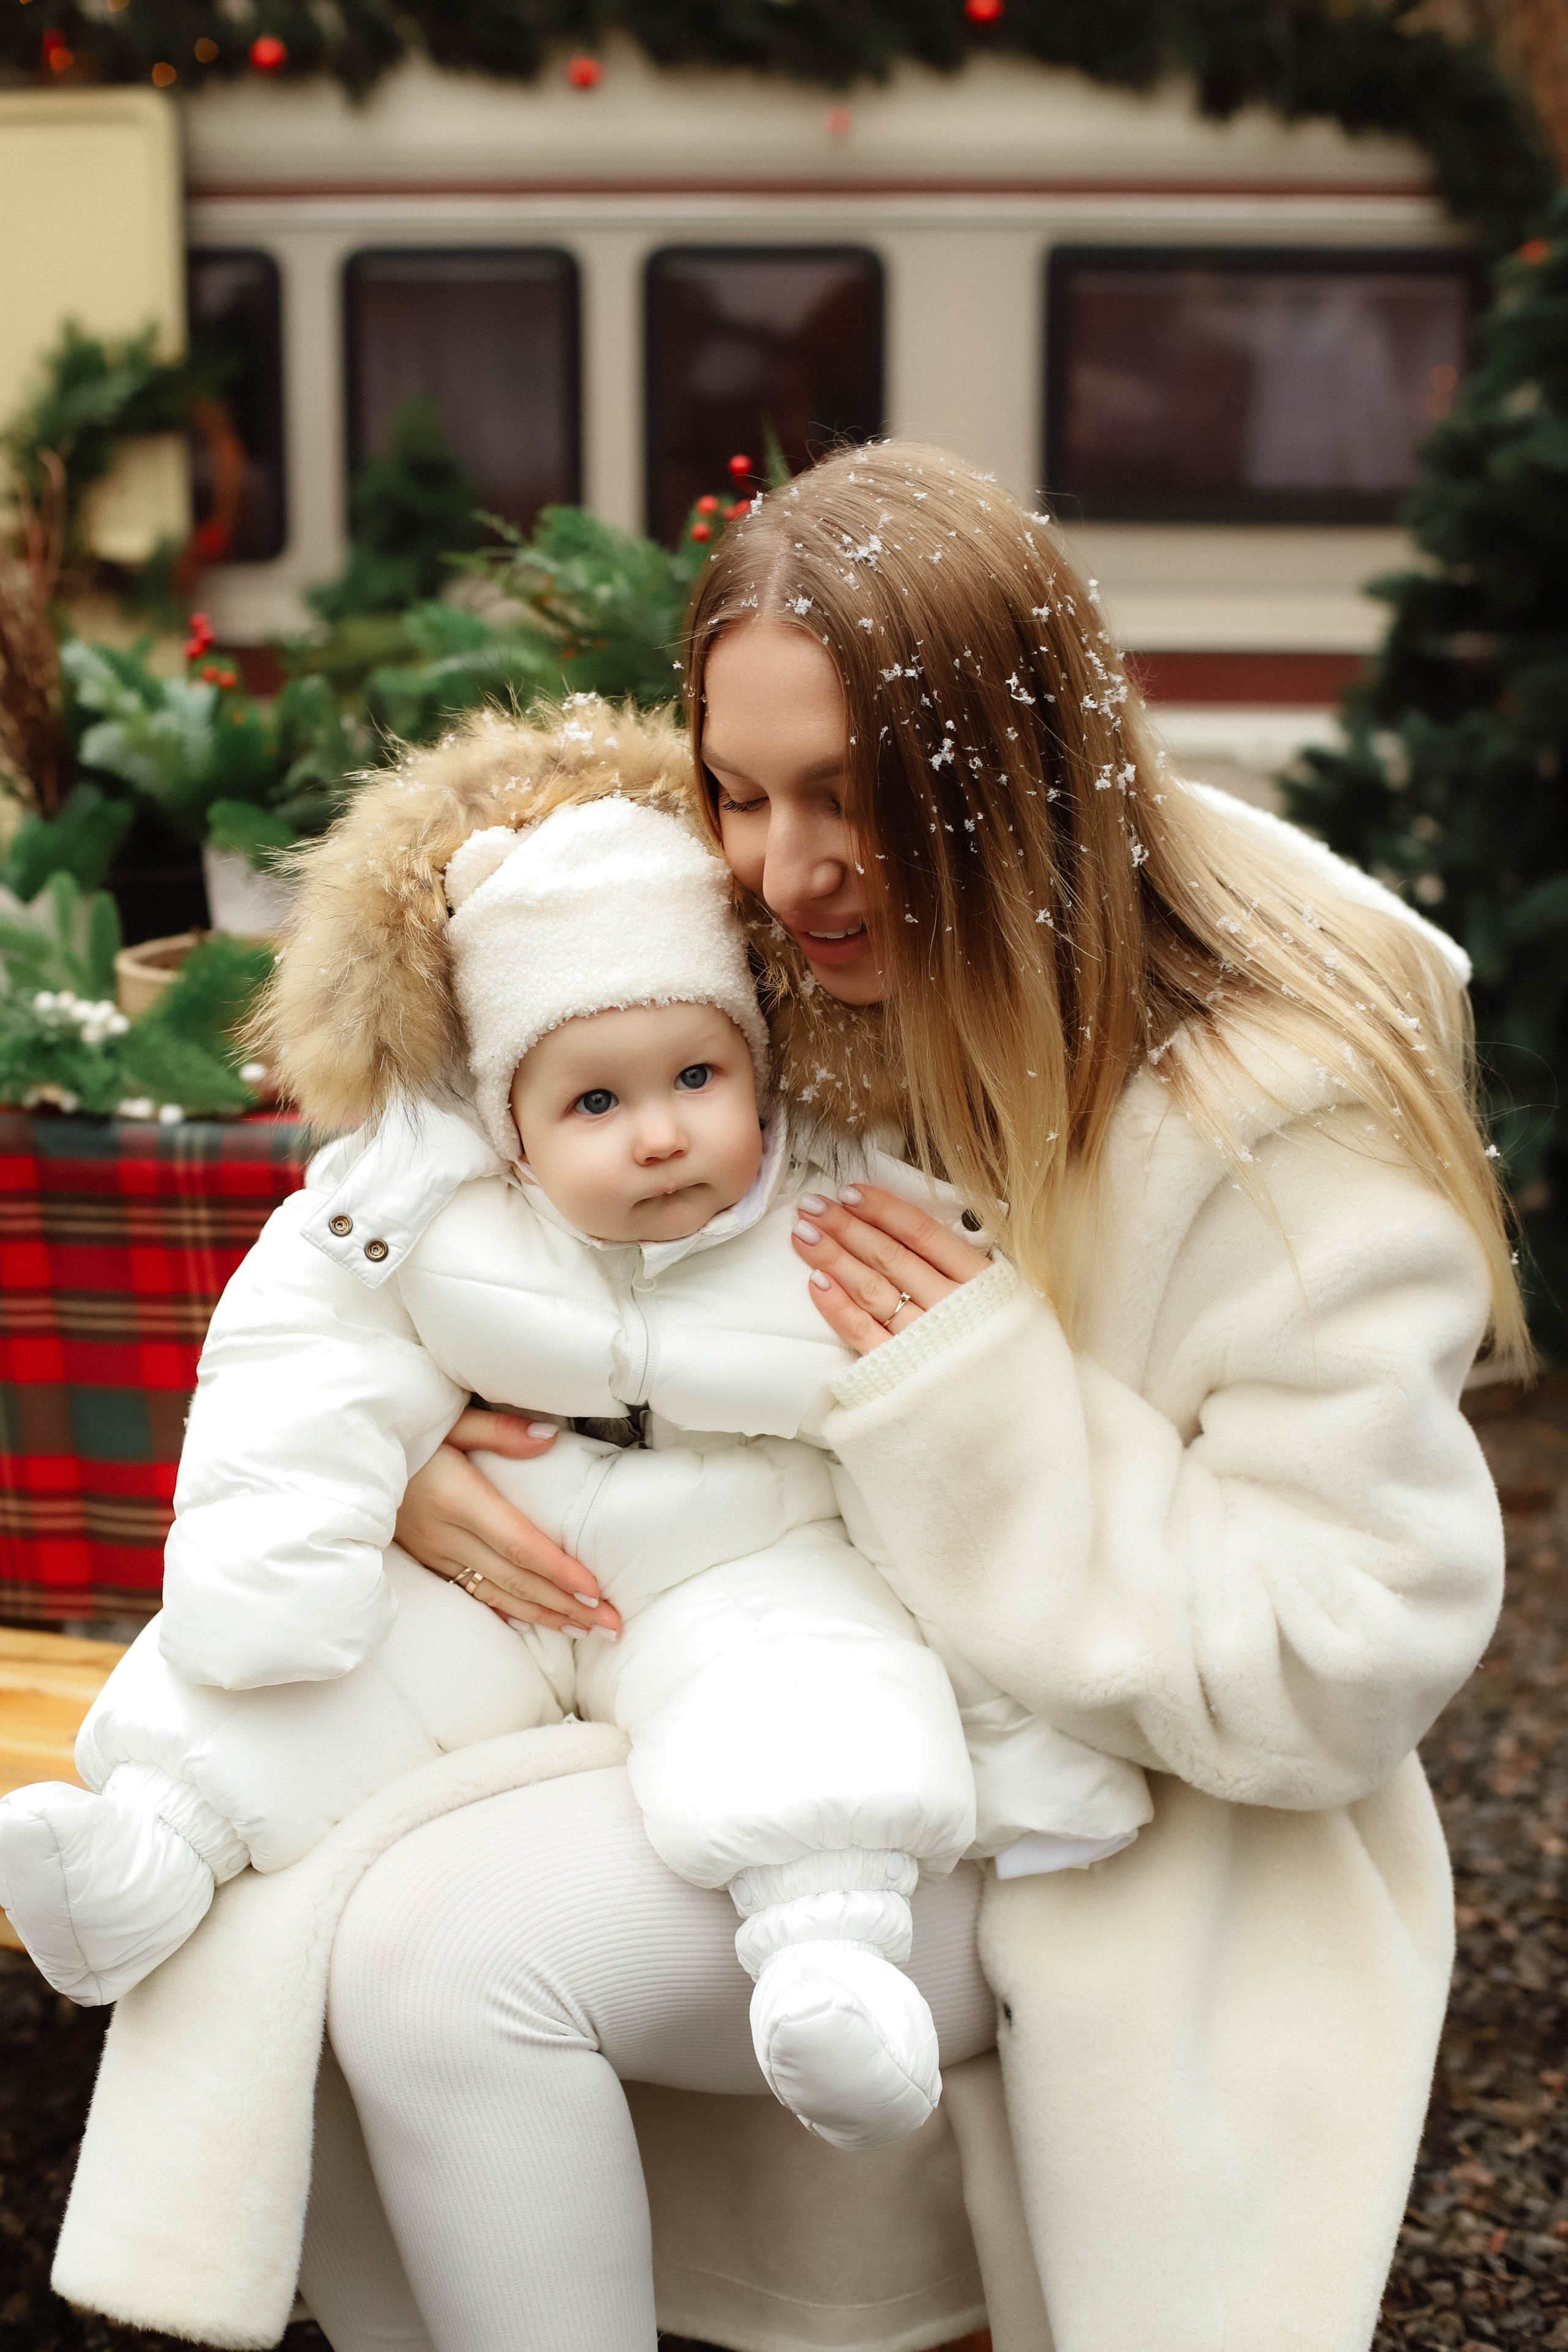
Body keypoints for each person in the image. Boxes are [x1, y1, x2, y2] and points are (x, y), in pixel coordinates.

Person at [55, 440, 1512, 2352]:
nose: (786, 867)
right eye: (739, 793)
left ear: (1021, 775)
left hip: (1119, 1808)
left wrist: (978, 1418)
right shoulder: (776, 968)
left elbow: (1344, 1661)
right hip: (735, 1650)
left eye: (856, 797)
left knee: (440, 1961)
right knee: (339, 1890)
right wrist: (420, 1447)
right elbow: (443, 1225)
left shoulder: (1266, 1123)